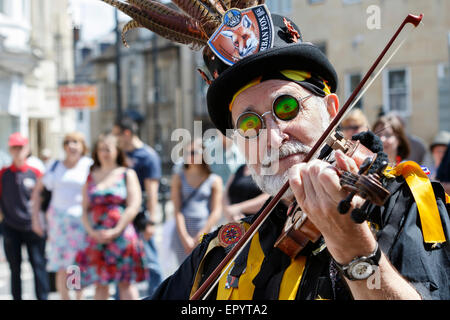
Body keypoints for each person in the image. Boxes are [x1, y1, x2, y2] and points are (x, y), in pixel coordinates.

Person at [108, 2, 450, 300]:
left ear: (332, 111)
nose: (272, 136)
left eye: (287, 107)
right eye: (249, 124)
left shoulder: (404, 205)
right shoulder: (226, 248)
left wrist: (354, 251)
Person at [75, 133, 146, 300]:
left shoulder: (127, 173)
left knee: (125, 284)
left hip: (122, 235)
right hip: (97, 237)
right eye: (101, 150)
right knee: (100, 284)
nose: (104, 153)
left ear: (117, 151)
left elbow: (134, 205)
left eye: (108, 149)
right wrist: (91, 232)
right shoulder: (91, 176)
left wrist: (116, 229)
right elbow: (84, 209)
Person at [31, 132, 93, 300]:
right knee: (61, 266)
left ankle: (78, 298)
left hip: (81, 221)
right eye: (67, 142)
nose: (71, 146)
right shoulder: (55, 166)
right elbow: (38, 191)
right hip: (58, 221)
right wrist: (36, 218)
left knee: (77, 266)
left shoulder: (89, 165)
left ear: (82, 146)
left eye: (75, 142)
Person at [113, 117, 164, 297]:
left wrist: (151, 220)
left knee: (151, 263)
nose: (115, 138)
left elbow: (152, 192)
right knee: (121, 263)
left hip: (140, 217)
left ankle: (158, 295)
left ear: (127, 133)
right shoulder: (120, 155)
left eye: (117, 134)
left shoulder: (147, 156)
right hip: (122, 216)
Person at [0, 132, 49, 300]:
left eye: (20, 147)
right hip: (11, 227)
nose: (18, 151)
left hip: (33, 226)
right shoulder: (3, 174)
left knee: (39, 266)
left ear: (27, 148)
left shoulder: (36, 172)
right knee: (15, 269)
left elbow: (45, 198)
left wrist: (44, 223)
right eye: (14, 147)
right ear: (10, 149)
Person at [170, 139, 223, 265]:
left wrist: (202, 235)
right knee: (184, 272)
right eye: (187, 153)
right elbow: (177, 210)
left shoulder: (214, 179)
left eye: (194, 152)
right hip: (182, 233)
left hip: (205, 231)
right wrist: (184, 237)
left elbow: (216, 211)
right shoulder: (178, 177)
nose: (189, 156)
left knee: (204, 270)